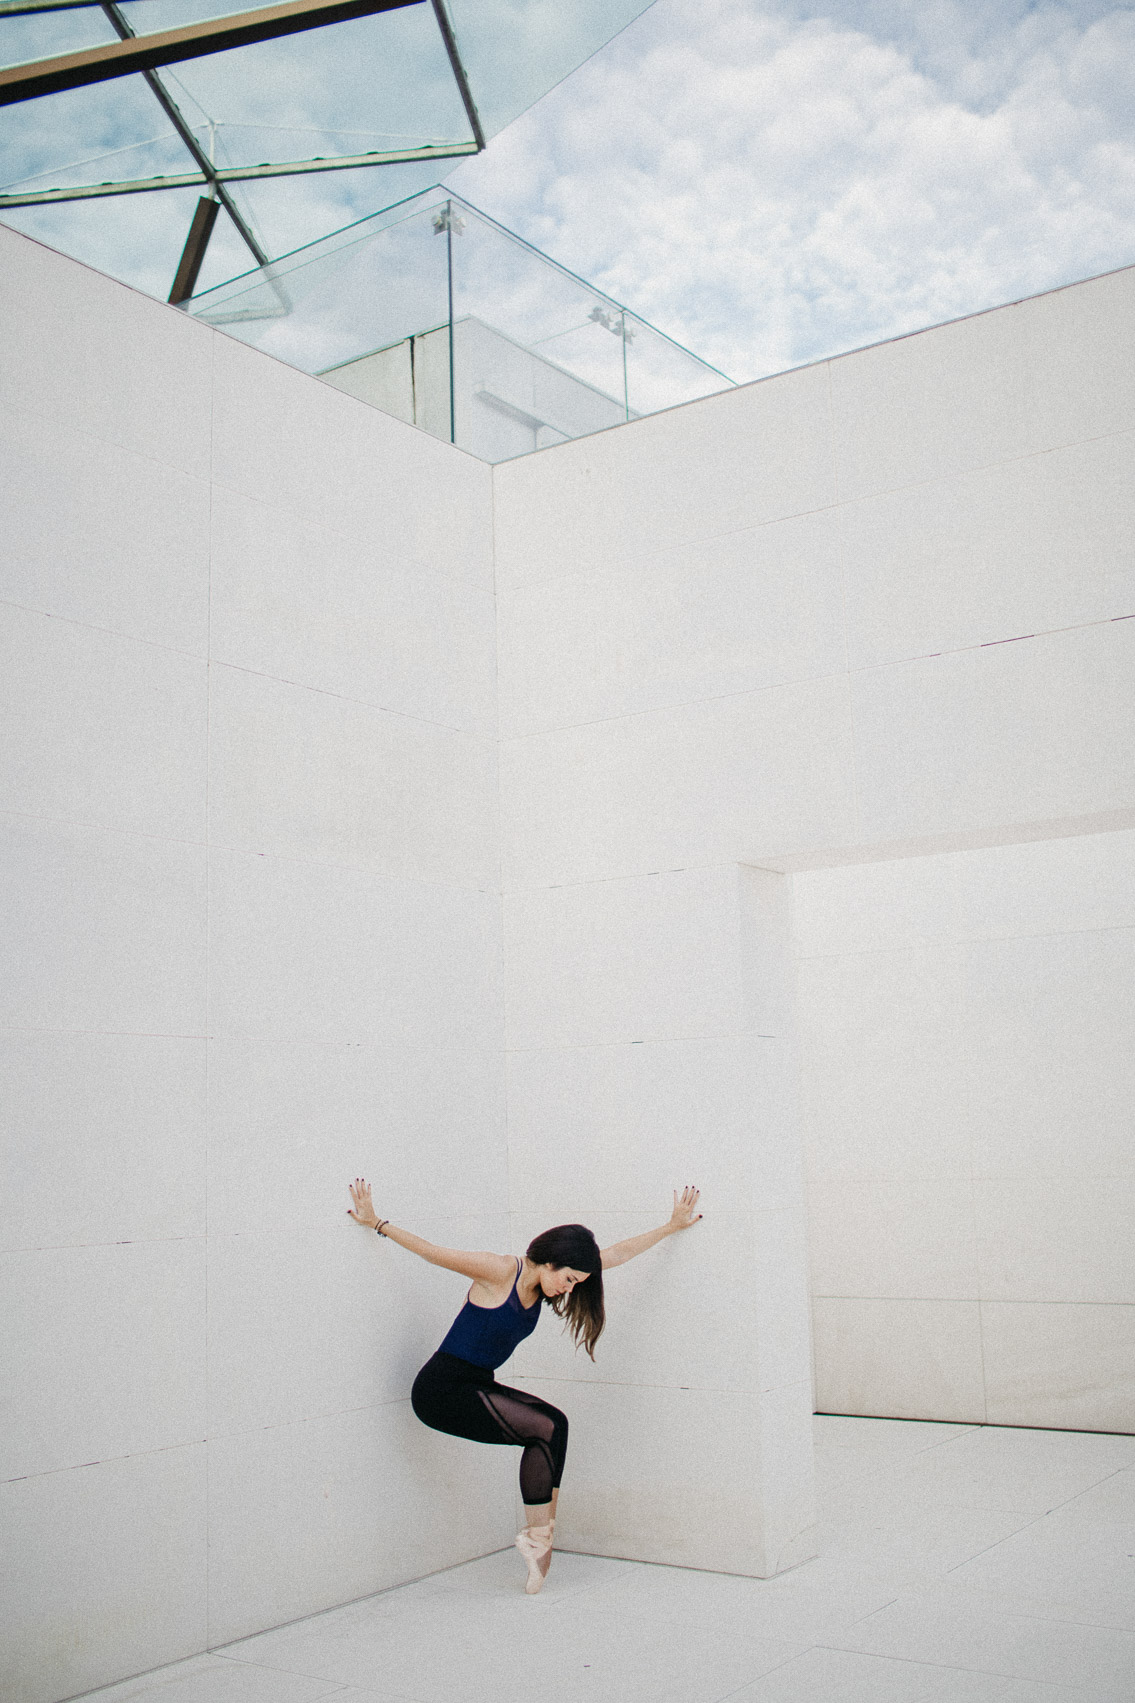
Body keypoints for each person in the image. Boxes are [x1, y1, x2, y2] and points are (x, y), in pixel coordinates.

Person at [347, 1179, 703, 1593]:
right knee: (545, 1427)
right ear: (549, 1261)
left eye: (575, 1285)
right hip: (441, 1389)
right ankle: (539, 1541)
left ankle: (539, 1539)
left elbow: (616, 1255)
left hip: (476, 1383)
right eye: (568, 1279)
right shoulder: (500, 1271)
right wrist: (377, 1223)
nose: (568, 1290)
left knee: (556, 1426)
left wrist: (669, 1227)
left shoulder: (546, 1284)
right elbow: (434, 1253)